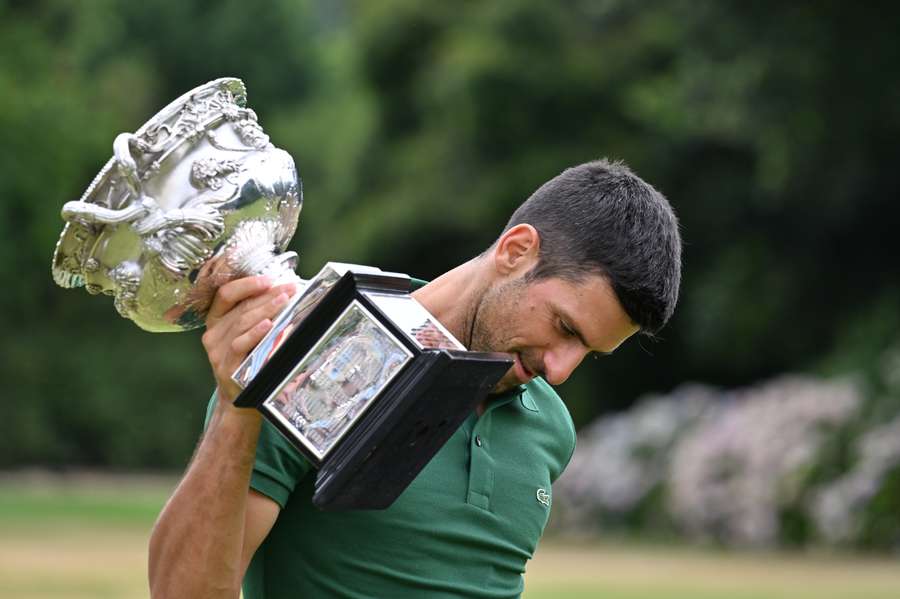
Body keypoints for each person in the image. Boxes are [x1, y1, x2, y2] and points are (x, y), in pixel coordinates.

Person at [148, 158, 682, 598]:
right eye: (564, 327)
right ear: (516, 251)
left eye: (588, 352)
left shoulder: (549, 428)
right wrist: (236, 406)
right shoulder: (320, 360)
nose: (560, 371)